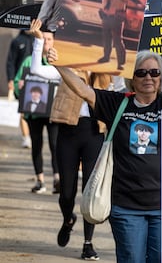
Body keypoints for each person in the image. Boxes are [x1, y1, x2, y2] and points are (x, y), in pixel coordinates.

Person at [56, 50, 162, 263]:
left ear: (161, 77)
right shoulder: (117, 104)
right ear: (131, 78)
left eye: (154, 72)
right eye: (141, 72)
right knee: (132, 259)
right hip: (126, 207)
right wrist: (57, 62)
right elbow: (82, 90)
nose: (148, 77)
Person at [27, 18, 107, 260]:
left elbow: (121, 86)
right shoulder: (65, 65)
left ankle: (88, 243)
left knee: (90, 192)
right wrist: (39, 43)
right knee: (67, 193)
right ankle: (67, 218)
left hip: (94, 133)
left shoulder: (105, 69)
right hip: (68, 132)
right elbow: (37, 70)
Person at [14, 24, 59, 194]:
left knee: (56, 145)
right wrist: (20, 87)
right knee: (36, 145)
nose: (46, 42)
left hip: (53, 112)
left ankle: (57, 178)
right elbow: (19, 84)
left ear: (54, 41)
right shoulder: (28, 61)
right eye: (43, 39)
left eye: (49, 39)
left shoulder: (58, 61)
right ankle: (40, 179)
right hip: (34, 114)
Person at [6, 28, 34, 147]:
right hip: (21, 80)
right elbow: (10, 61)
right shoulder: (17, 40)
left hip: (37, 80)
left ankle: (34, 135)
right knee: (23, 110)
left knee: (35, 111)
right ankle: (26, 137)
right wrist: (11, 79)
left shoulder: (38, 39)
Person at [97, 0, 130, 70]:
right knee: (107, 39)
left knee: (118, 40)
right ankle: (106, 57)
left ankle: (120, 63)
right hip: (107, 17)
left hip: (117, 18)